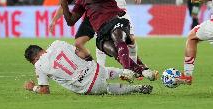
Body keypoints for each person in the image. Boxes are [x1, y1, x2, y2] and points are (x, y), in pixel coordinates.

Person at [60, 0, 158, 81]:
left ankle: (127, 70)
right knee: (115, 52)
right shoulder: (81, 0)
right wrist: (63, 1)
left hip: (115, 21)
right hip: (101, 32)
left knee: (118, 37)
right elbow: (70, 21)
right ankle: (144, 72)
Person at [23, 40, 153, 95]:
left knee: (107, 88)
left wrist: (33, 87)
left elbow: (45, 91)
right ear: (42, 49)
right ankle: (138, 73)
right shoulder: (57, 43)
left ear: (33, 60)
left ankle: (137, 88)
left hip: (88, 86)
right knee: (106, 72)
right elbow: (80, 53)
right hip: (95, 69)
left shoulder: (39, 66)